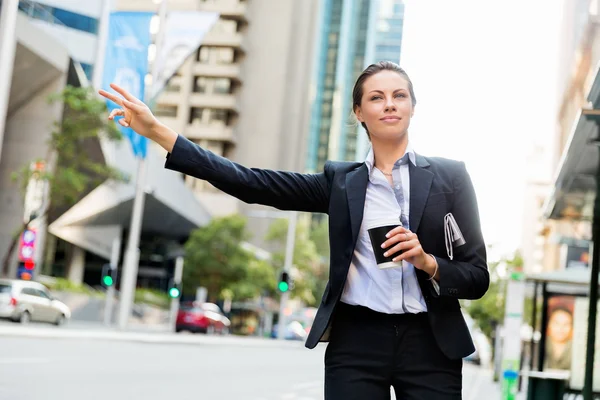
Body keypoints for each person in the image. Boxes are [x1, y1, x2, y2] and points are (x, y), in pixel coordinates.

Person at [99, 61, 489, 400]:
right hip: (357, 341)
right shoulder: (341, 183)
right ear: (358, 112)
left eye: (399, 95)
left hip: (431, 344)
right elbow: (250, 182)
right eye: (376, 97)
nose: (389, 103)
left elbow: (477, 277)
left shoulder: (450, 178)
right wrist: (158, 132)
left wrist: (428, 262)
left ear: (412, 107)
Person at [544, 306, 573, 371]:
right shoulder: (540, 345)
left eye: (566, 324)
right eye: (557, 323)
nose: (561, 328)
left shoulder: (575, 348)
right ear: (549, 324)